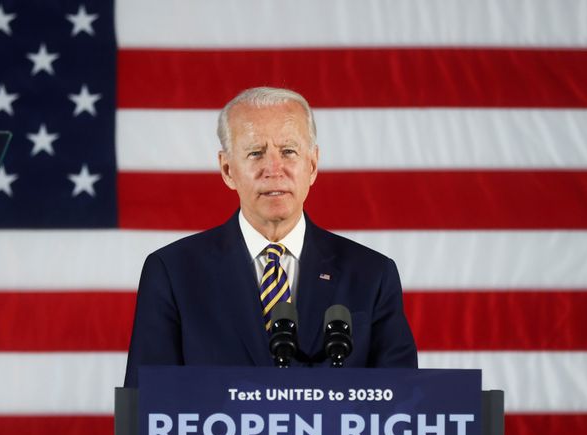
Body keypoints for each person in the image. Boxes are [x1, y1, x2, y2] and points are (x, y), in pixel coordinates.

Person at [123, 87, 416, 386]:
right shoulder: (174, 273)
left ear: (312, 165)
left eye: (288, 151)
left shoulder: (371, 275)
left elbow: (403, 408)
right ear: (227, 169)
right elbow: (144, 409)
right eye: (255, 153)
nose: (274, 169)